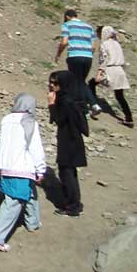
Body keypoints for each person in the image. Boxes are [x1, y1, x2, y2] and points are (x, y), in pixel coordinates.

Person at [0, 94, 46, 252]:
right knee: (13, 202)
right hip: (21, 167)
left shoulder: (5, 120)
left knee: (29, 192)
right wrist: (41, 169)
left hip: (6, 166)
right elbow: (35, 148)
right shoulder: (29, 122)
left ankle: (32, 222)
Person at [48, 70, 89, 217]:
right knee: (68, 172)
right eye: (51, 82)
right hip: (72, 139)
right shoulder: (69, 98)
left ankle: (73, 205)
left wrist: (51, 105)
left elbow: (58, 119)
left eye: (55, 83)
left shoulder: (65, 101)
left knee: (67, 173)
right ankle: (72, 201)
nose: (52, 85)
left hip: (69, 140)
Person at [54, 9, 102, 119]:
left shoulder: (67, 25)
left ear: (67, 16)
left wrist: (58, 54)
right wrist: (87, 54)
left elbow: (64, 42)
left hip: (75, 56)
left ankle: (92, 105)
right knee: (80, 82)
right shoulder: (88, 27)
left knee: (77, 82)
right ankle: (85, 106)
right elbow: (93, 46)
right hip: (88, 57)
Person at [89, 26, 133, 128]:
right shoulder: (117, 44)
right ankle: (129, 118)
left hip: (110, 70)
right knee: (120, 96)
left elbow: (104, 59)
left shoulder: (105, 44)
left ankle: (94, 104)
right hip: (120, 70)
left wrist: (99, 72)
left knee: (92, 83)